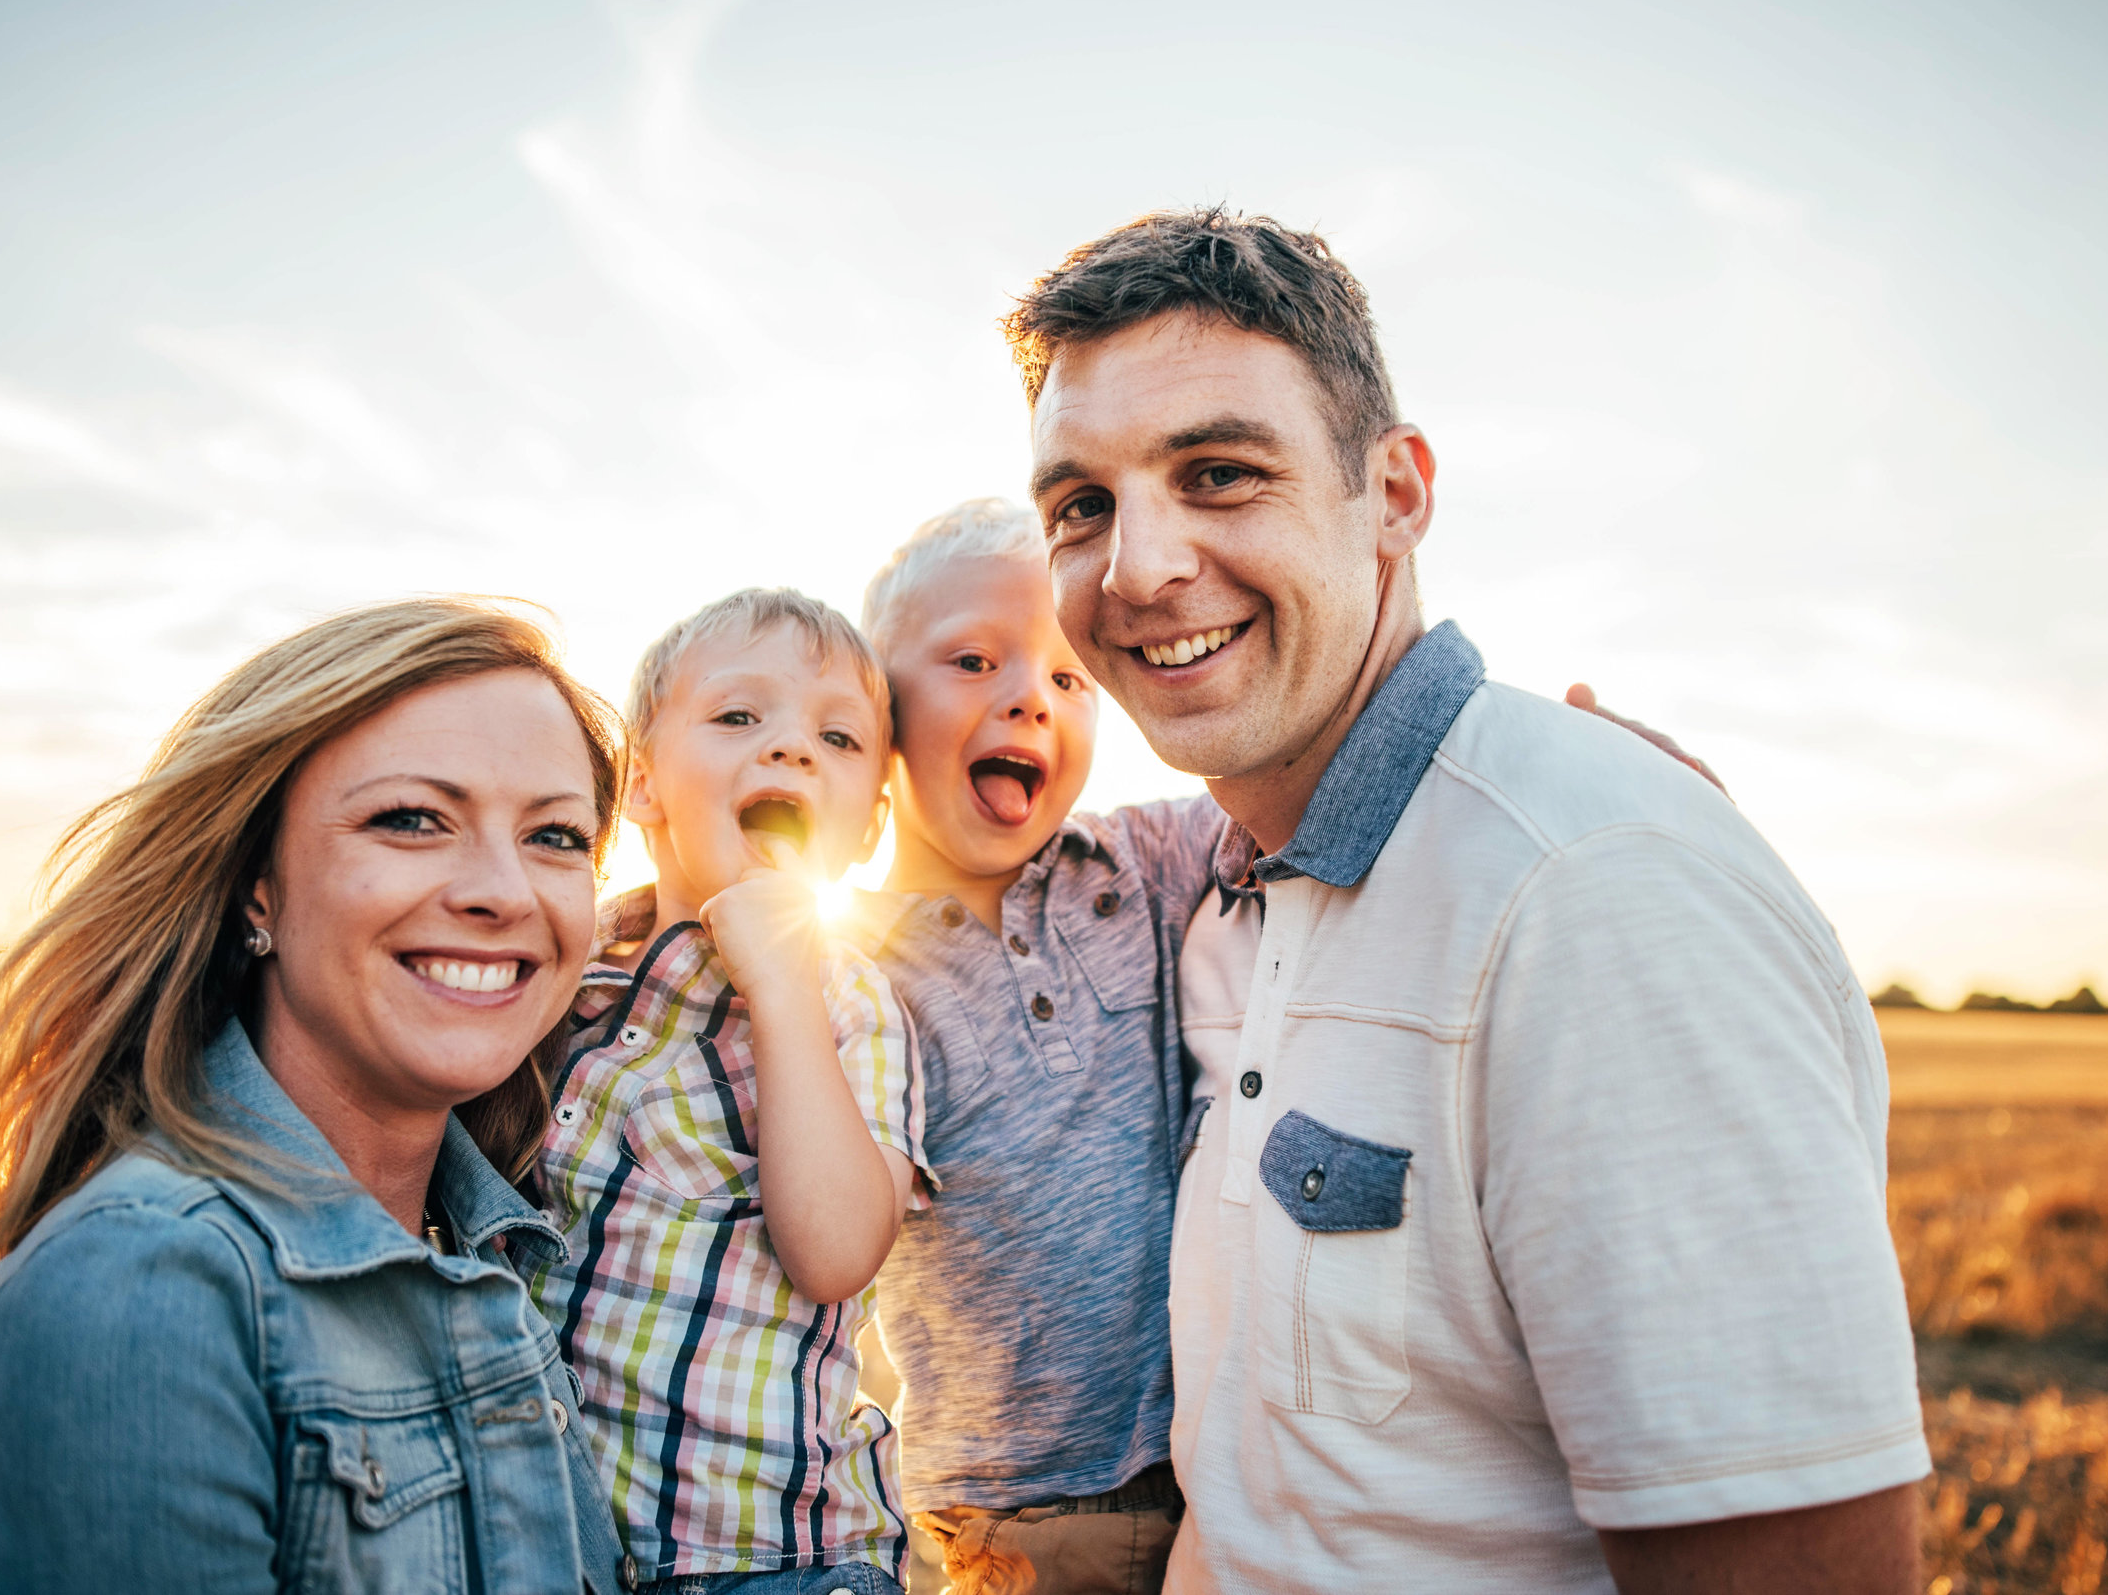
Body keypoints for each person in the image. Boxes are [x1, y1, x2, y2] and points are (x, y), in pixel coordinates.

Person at [1012, 209, 1930, 1594]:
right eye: (1082, 504)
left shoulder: (1594, 897)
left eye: (1216, 472)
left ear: (1395, 493)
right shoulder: (1221, 904)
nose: (1136, 569)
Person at [0, 596, 629, 1594]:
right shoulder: (144, 1290)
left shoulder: (514, 1248)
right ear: (257, 887)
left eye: (555, 837)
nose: (504, 890)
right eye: (411, 819)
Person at [851, 501, 1220, 1595]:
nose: (1030, 694)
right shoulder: (852, 975)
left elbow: (1314, 772)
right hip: (996, 1521)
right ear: (876, 705)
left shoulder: (1143, 865)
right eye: (974, 659)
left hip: (1213, 1485)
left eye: (1072, 678)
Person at [530, 589, 927, 1595]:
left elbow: (836, 1249)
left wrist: (781, 979)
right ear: (642, 784)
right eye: (739, 717)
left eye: (836, 737)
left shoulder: (852, 1011)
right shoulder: (560, 978)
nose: (790, 748)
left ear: (870, 823)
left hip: (772, 1561)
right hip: (544, 1543)